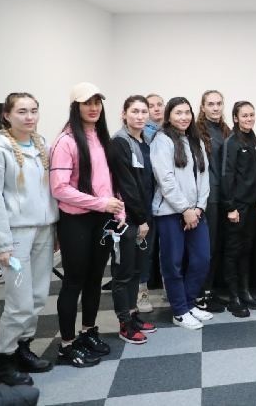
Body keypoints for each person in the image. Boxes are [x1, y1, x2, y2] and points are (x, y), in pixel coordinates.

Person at [0, 92, 57, 385]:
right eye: (22, 111)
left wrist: (55, 227)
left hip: (44, 231)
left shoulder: (41, 146)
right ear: (7, 115)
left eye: (33, 110)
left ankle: (23, 348)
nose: (29, 117)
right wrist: (1, 244)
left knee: (37, 296)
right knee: (19, 301)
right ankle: (5, 360)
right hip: (16, 237)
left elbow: (49, 192)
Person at [50, 82, 122, 367]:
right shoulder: (66, 141)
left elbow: (108, 181)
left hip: (100, 219)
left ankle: (88, 331)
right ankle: (67, 345)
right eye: (86, 103)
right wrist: (100, 203)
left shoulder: (102, 138)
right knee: (74, 282)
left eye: (97, 102)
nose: (93, 108)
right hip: (76, 221)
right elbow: (59, 188)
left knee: (94, 279)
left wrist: (116, 208)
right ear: (75, 107)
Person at [150, 97, 213, 330]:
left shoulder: (195, 140)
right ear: (169, 116)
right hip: (170, 212)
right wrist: (185, 209)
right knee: (173, 263)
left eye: (187, 112)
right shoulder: (162, 140)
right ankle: (179, 311)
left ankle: (189, 303)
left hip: (196, 212)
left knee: (202, 259)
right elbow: (165, 179)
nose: (184, 117)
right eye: (178, 113)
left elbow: (204, 177)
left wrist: (198, 208)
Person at [106, 96, 158, 345]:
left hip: (143, 213)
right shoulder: (119, 142)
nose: (140, 116)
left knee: (137, 270)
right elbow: (128, 186)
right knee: (123, 272)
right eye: (134, 111)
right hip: (126, 218)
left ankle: (133, 315)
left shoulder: (144, 140)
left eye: (143, 111)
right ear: (124, 114)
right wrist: (141, 219)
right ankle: (124, 323)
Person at [221, 101, 256, 317]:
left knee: (246, 250)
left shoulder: (254, 140)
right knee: (233, 252)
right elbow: (226, 175)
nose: (249, 119)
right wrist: (230, 207)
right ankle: (234, 297)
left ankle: (245, 291)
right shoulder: (232, 142)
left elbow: (255, 175)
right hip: (236, 207)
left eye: (251, 115)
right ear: (235, 118)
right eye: (244, 115)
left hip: (252, 206)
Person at [195, 90, 232, 312]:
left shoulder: (226, 130)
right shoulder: (197, 132)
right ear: (203, 107)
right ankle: (200, 293)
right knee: (205, 247)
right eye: (210, 104)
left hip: (225, 196)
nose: (216, 107)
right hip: (208, 197)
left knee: (218, 246)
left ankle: (210, 290)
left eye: (219, 103)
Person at [137, 92, 166, 311]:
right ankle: (142, 293)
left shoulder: (171, 131)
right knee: (144, 249)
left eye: (159, 105)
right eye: (151, 106)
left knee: (168, 248)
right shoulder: (141, 135)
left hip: (167, 200)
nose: (156, 109)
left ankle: (169, 288)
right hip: (146, 200)